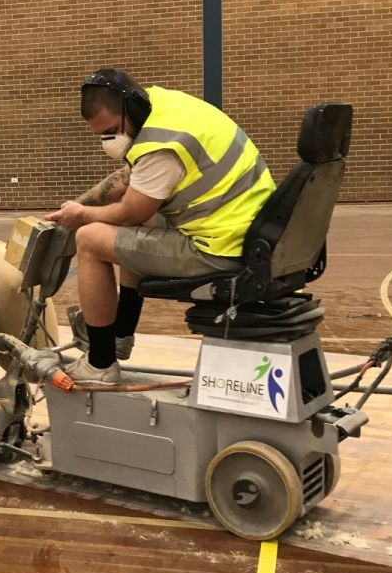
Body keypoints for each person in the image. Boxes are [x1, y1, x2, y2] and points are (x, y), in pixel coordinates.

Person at [45, 69, 276, 386]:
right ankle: (121, 334)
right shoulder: (164, 107)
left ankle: (100, 364)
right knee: (139, 226)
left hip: (220, 249)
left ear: (131, 110)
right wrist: (75, 205)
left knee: (89, 239)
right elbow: (130, 180)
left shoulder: (160, 146)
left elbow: (131, 212)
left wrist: (82, 216)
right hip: (246, 233)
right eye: (102, 135)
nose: (108, 142)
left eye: (111, 131)